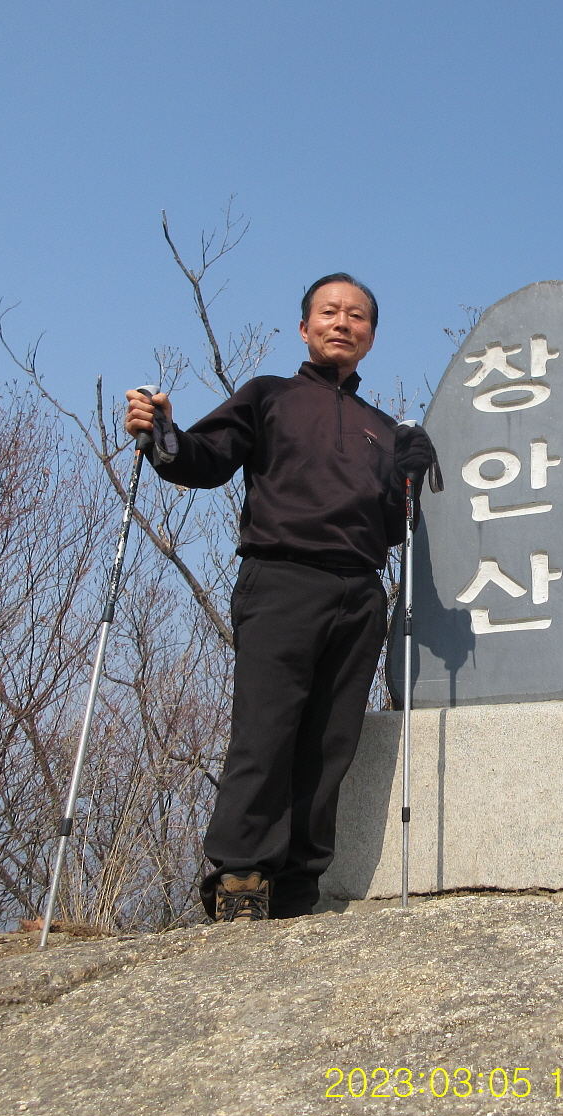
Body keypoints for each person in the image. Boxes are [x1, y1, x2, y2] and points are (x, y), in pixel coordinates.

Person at [124, 273, 439, 922]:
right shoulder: (269, 395)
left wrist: (409, 472)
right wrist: (161, 434)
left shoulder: (382, 428)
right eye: (329, 312)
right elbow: (204, 459)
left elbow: (394, 527)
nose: (342, 323)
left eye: (357, 316)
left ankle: (298, 888)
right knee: (265, 731)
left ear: (371, 337)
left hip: (361, 591)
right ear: (304, 327)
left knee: (330, 743)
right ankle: (241, 877)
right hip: (281, 577)